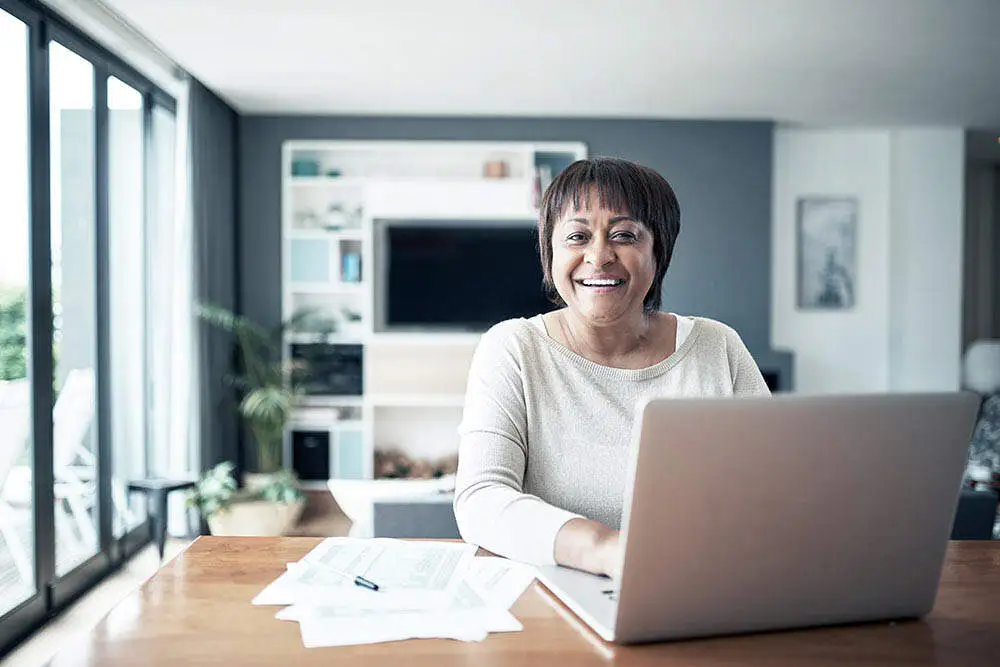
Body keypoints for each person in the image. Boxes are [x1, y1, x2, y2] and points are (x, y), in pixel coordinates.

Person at [453, 157, 770, 577]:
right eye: (577, 236)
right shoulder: (512, 348)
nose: (599, 256)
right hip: (555, 597)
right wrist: (603, 550)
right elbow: (481, 498)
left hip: (698, 580)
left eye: (624, 235)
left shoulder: (718, 346)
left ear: (660, 251)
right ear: (550, 253)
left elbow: (772, 489)